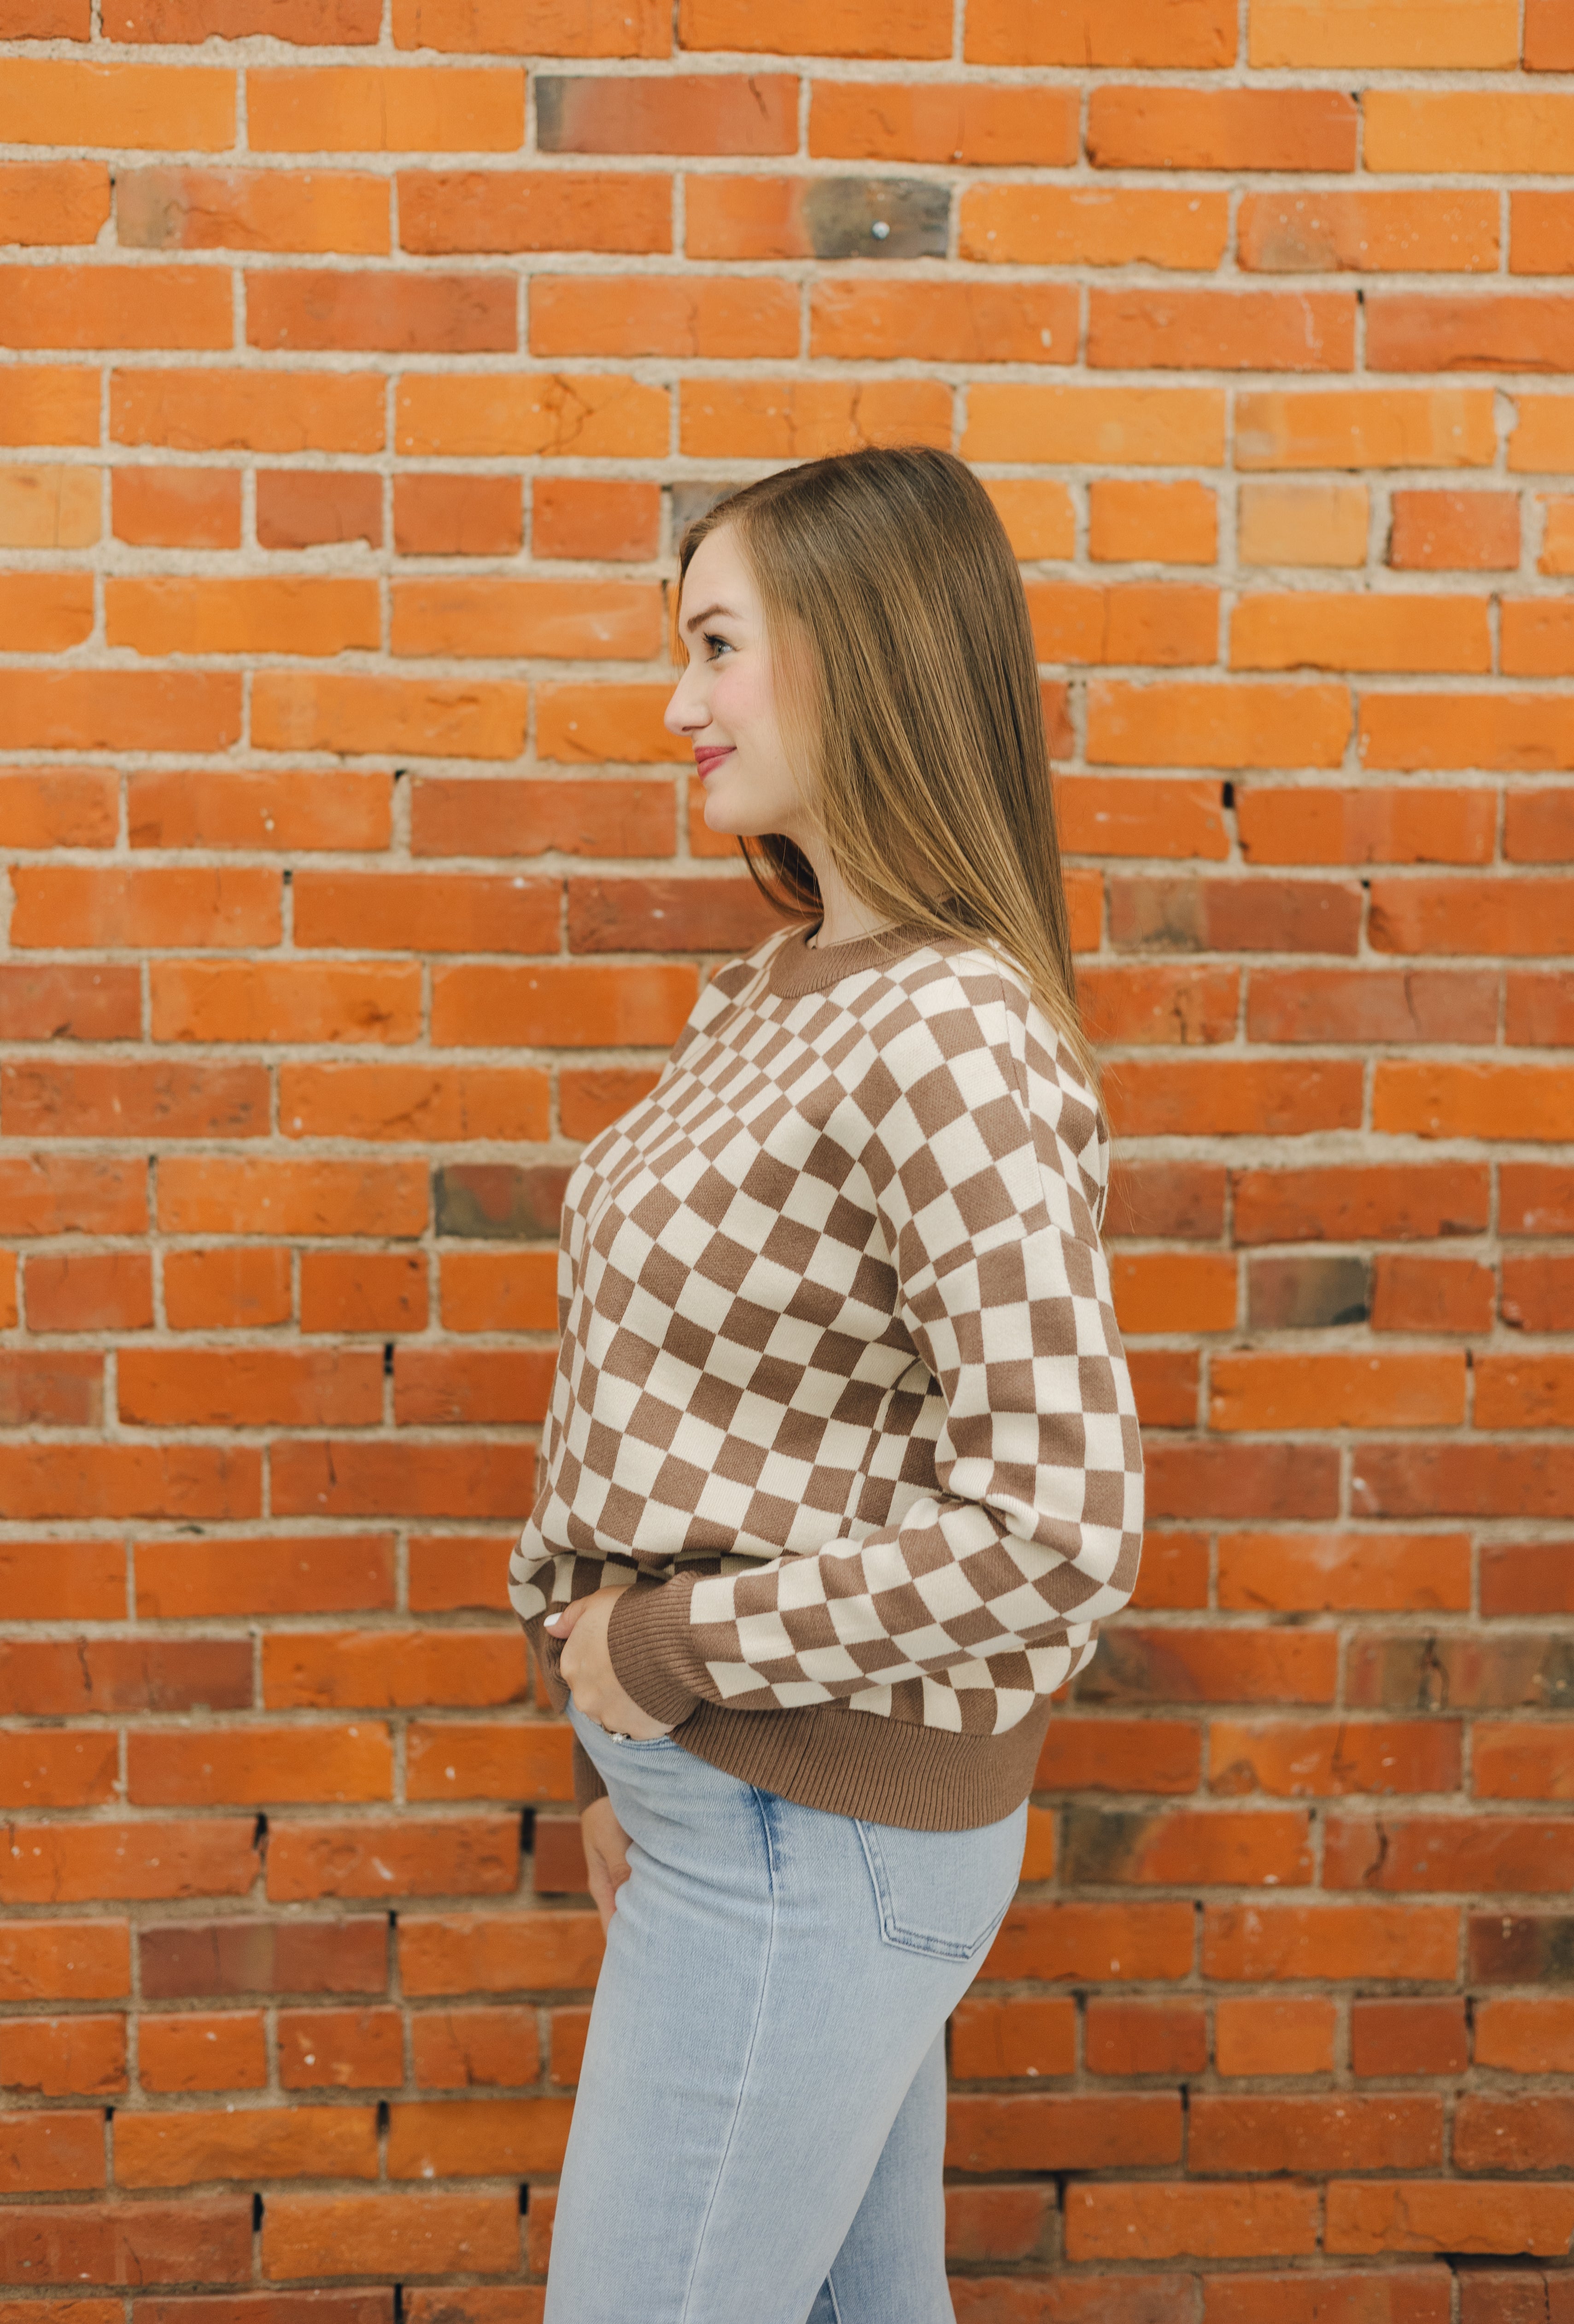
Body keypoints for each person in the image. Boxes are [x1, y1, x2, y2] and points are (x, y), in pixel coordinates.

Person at [509, 443, 1144, 2324]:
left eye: (716, 644)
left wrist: (671, 1652)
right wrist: (614, 1730)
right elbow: (664, 1410)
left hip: (806, 1825)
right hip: (730, 1809)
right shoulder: (784, 983)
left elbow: (1058, 1524)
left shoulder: (947, 1022)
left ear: (859, 653)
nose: (676, 700)